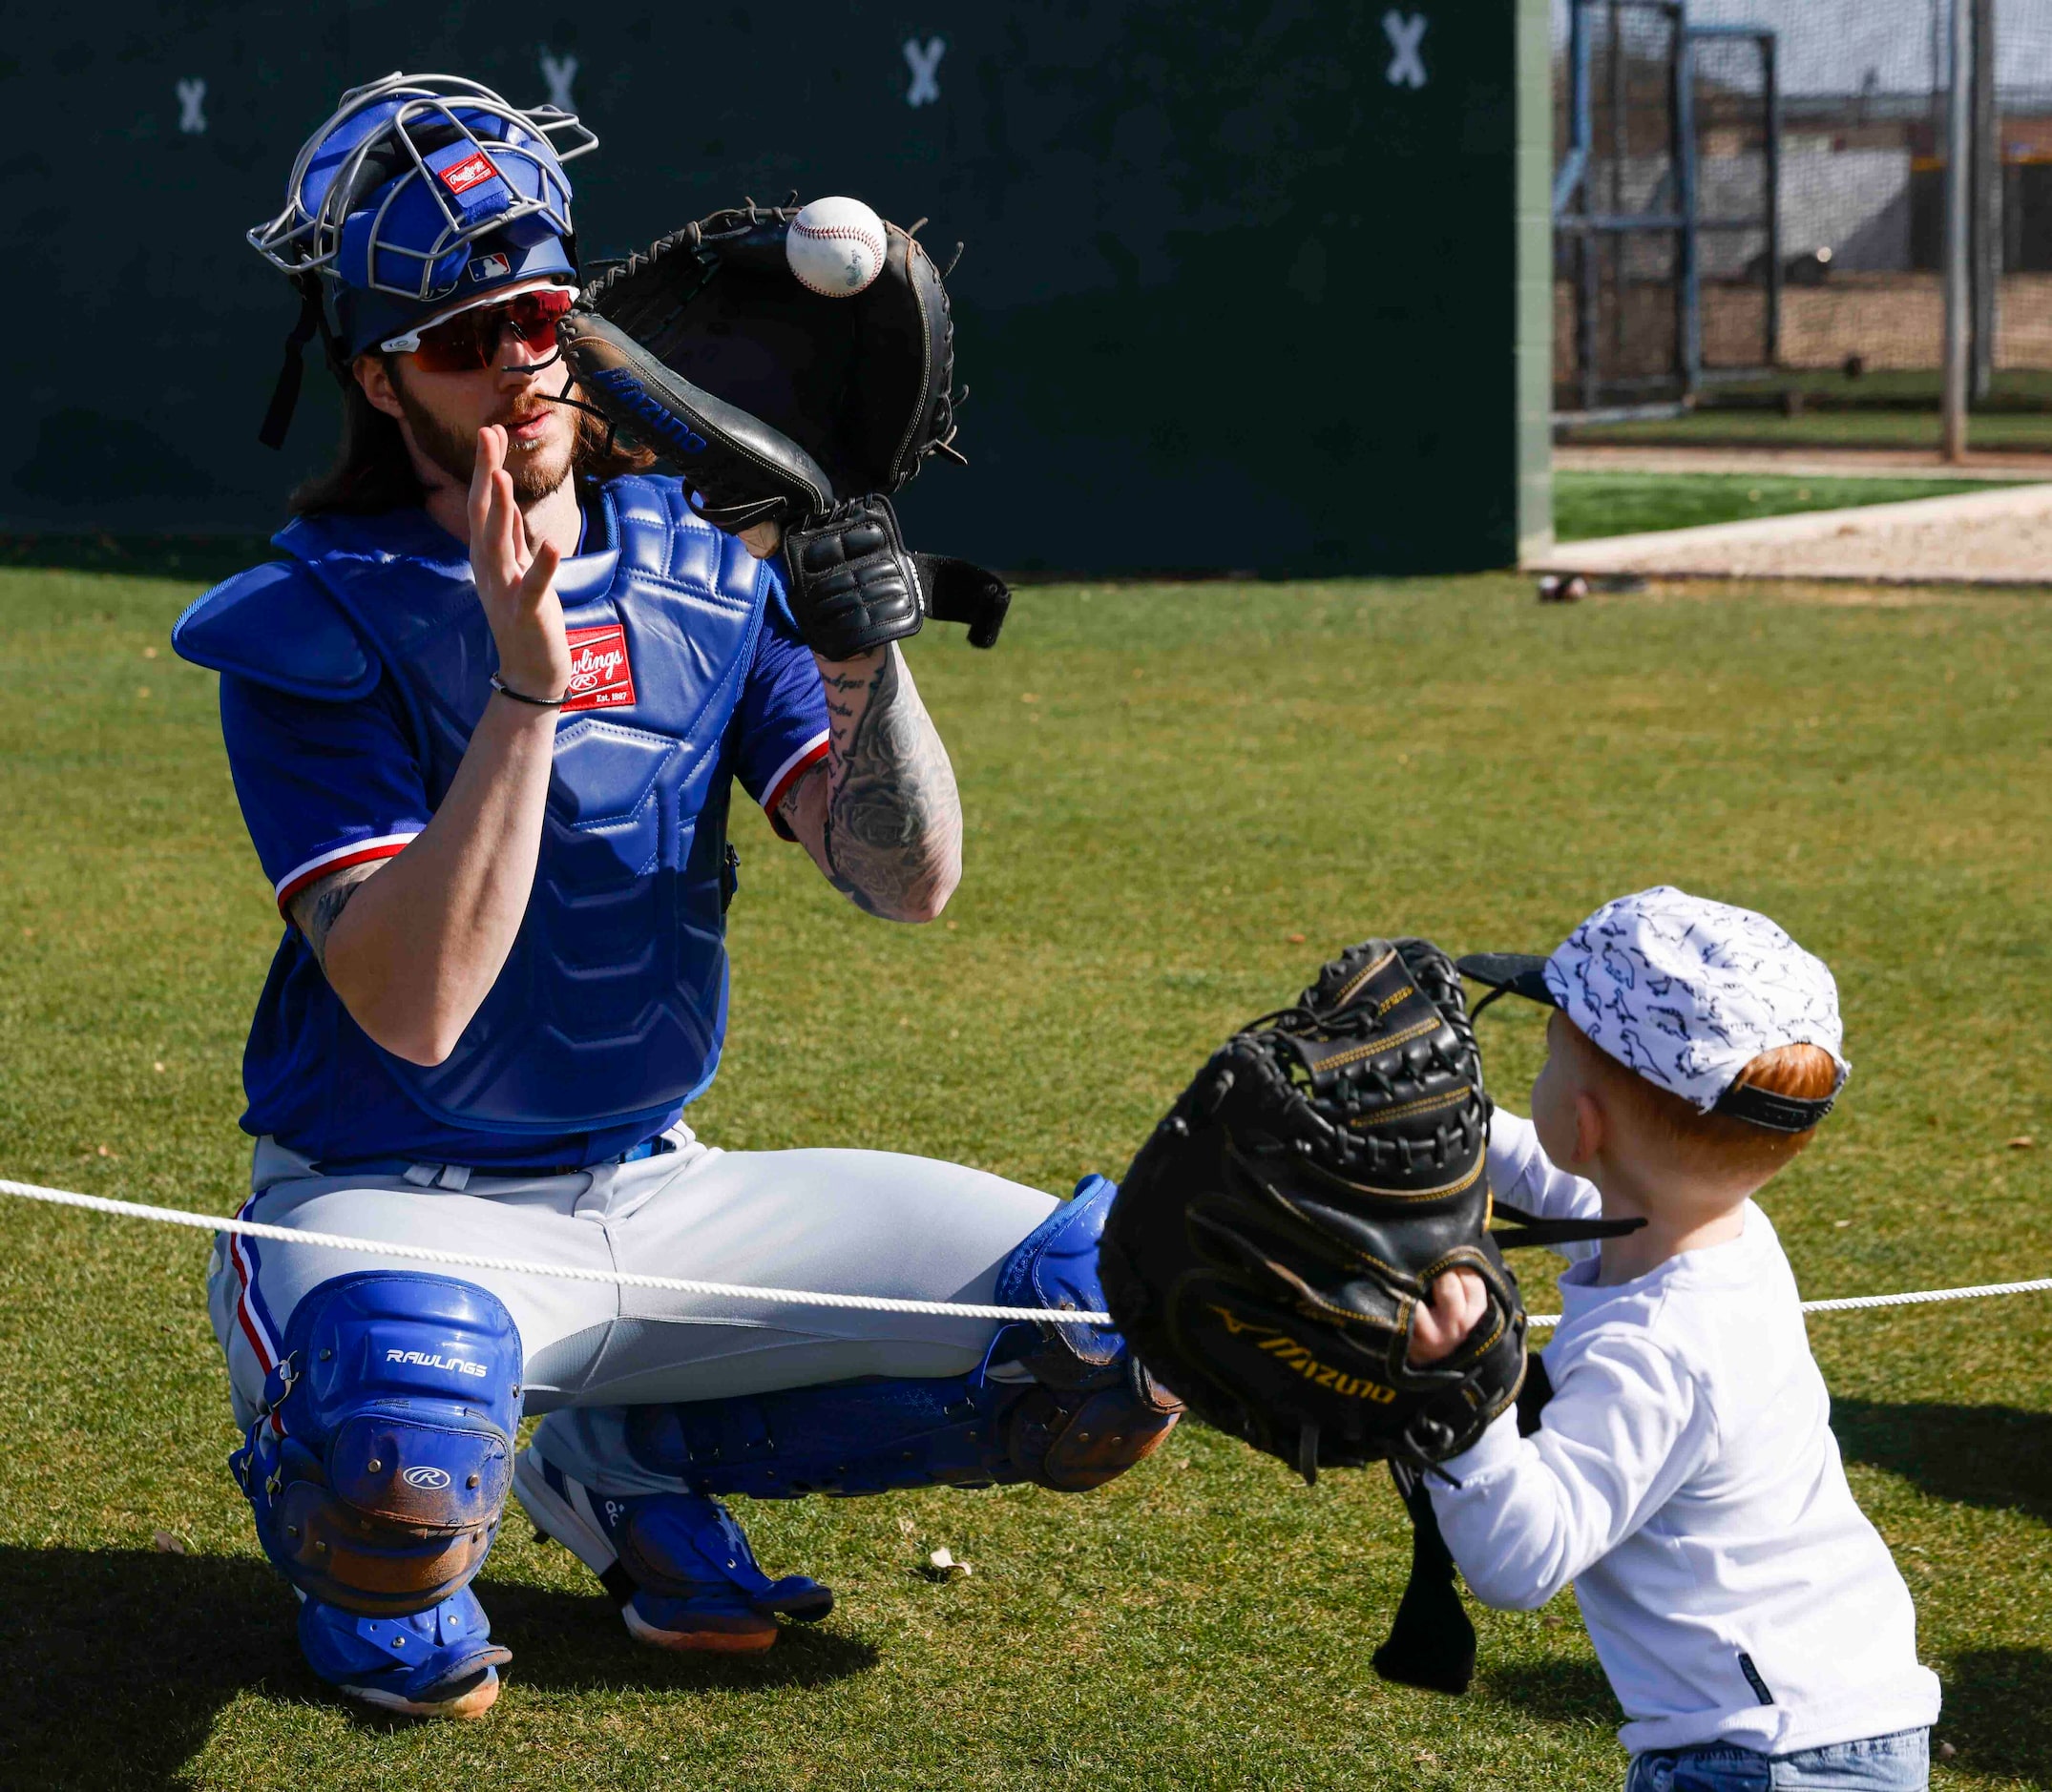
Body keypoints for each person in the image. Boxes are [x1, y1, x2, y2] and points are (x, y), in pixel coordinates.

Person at [172, 73, 1178, 1721]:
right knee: (398, 1457)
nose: (516, 359)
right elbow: (414, 1004)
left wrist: (866, 647)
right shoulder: (307, 622)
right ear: (375, 373)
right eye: (461, 333)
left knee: (1099, 1335)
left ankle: (624, 1458)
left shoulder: (704, 557)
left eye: (540, 314)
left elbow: (902, 879)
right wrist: (523, 684)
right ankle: (361, 1465)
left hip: (655, 1185)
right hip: (393, 1200)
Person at [1407, 886, 1940, 1790]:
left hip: (1764, 1759)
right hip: (1824, 1720)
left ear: (1586, 1123)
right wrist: (1439, 1126)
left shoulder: (1660, 1349)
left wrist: (1461, 1386)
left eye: (1547, 1054)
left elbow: (1520, 1558)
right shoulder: (1716, 1230)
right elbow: (1576, 1186)